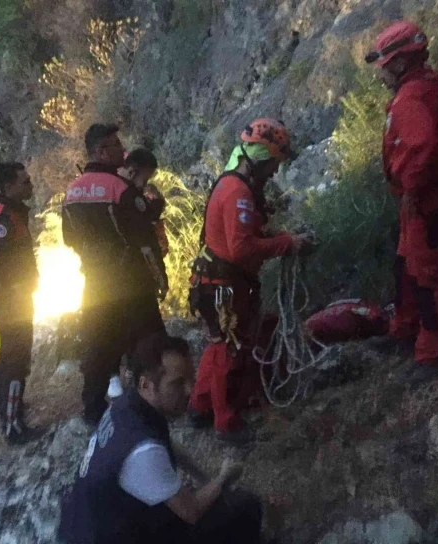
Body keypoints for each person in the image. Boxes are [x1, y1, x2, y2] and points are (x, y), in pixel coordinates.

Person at [58, 332, 263, 544]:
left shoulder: (127, 405)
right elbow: (191, 511)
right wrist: (223, 478)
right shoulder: (143, 451)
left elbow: (168, 445)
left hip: (90, 524)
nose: (189, 391)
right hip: (107, 536)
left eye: (191, 380)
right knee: (245, 508)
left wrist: (206, 480)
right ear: (146, 385)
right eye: (177, 383)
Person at [188, 118, 313, 443]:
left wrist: (277, 238)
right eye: (272, 163)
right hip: (224, 286)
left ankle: (200, 407)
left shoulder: (232, 184)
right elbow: (241, 249)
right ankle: (226, 423)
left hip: (217, 282)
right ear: (259, 157)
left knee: (220, 346)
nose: (273, 172)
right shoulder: (238, 193)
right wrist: (287, 243)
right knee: (230, 350)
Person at [365, 21, 438, 383]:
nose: (382, 75)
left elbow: (422, 148)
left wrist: (410, 188)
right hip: (428, 198)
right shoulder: (429, 86)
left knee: (428, 276)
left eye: (385, 67)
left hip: (427, 199)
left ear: (399, 63)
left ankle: (430, 354)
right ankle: (405, 329)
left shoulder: (411, 98)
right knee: (407, 267)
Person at [62, 125, 168, 425]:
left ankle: (93, 411)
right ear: (100, 151)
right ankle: (155, 400)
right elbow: (145, 239)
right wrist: (160, 279)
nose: (122, 149)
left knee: (98, 346)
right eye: (115, 144)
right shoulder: (119, 189)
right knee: (149, 340)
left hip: (95, 282)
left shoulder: (72, 192)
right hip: (131, 282)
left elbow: (69, 239)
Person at [0, 162, 39, 444]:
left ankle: (10, 409)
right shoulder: (4, 218)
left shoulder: (10, 213)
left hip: (16, 297)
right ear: (9, 187)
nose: (30, 185)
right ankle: (13, 426)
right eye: (24, 182)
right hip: (12, 300)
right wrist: (9, 287)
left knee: (12, 355)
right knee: (16, 358)